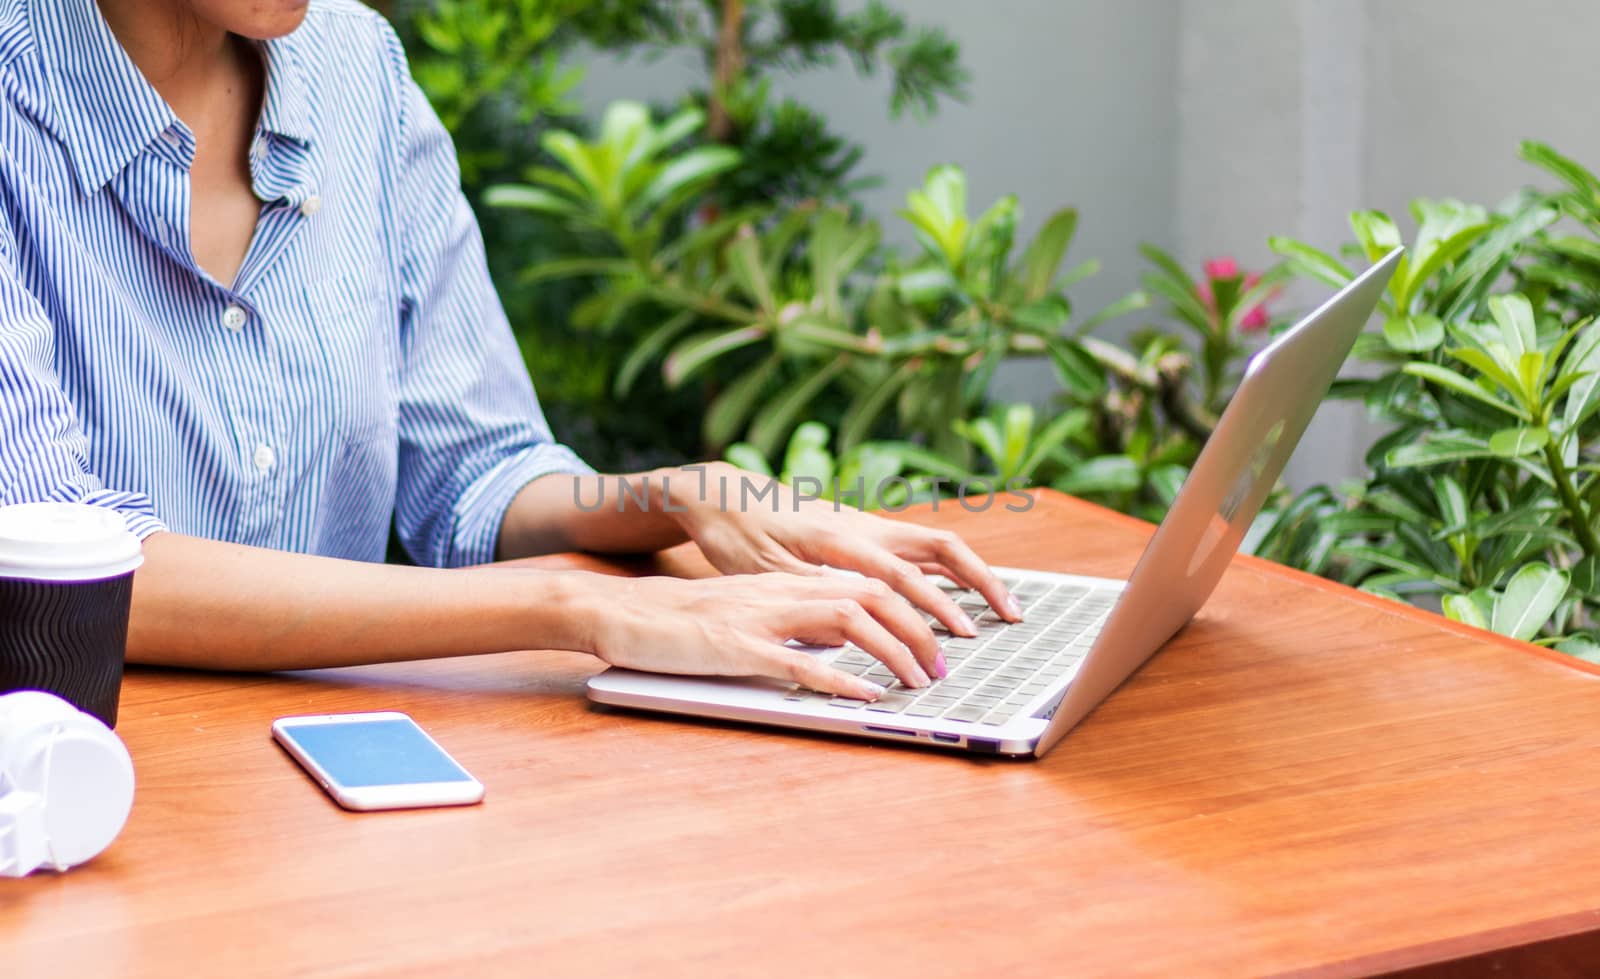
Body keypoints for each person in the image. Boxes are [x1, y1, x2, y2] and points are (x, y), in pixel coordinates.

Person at [0, 0, 1020, 701]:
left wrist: (676, 495)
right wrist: (576, 607)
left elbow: (476, 475)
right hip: (79, 811)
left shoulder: (356, 72)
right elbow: (62, 565)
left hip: (336, 788)